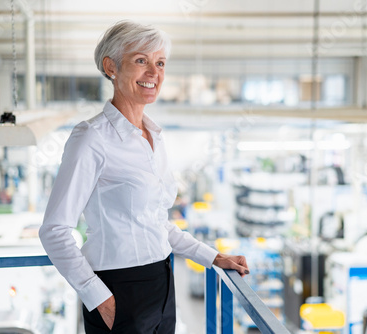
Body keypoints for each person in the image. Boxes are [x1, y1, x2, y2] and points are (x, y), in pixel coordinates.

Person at [39, 20, 249, 334]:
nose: (154, 73)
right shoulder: (91, 138)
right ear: (111, 67)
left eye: (160, 63)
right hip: (118, 289)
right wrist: (98, 297)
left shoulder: (153, 136)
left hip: (163, 283)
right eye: (141, 61)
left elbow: (155, 221)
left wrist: (212, 256)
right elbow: (54, 230)